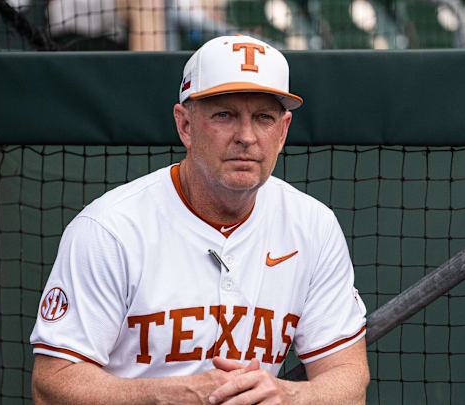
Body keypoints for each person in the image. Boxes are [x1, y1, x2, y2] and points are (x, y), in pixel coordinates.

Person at [30, 34, 369, 404]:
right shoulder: (110, 229)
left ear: (284, 130)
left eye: (263, 118)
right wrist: (168, 396)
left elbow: (348, 379)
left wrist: (288, 396)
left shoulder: (312, 226)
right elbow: (52, 385)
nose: (246, 137)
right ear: (186, 125)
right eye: (224, 115)